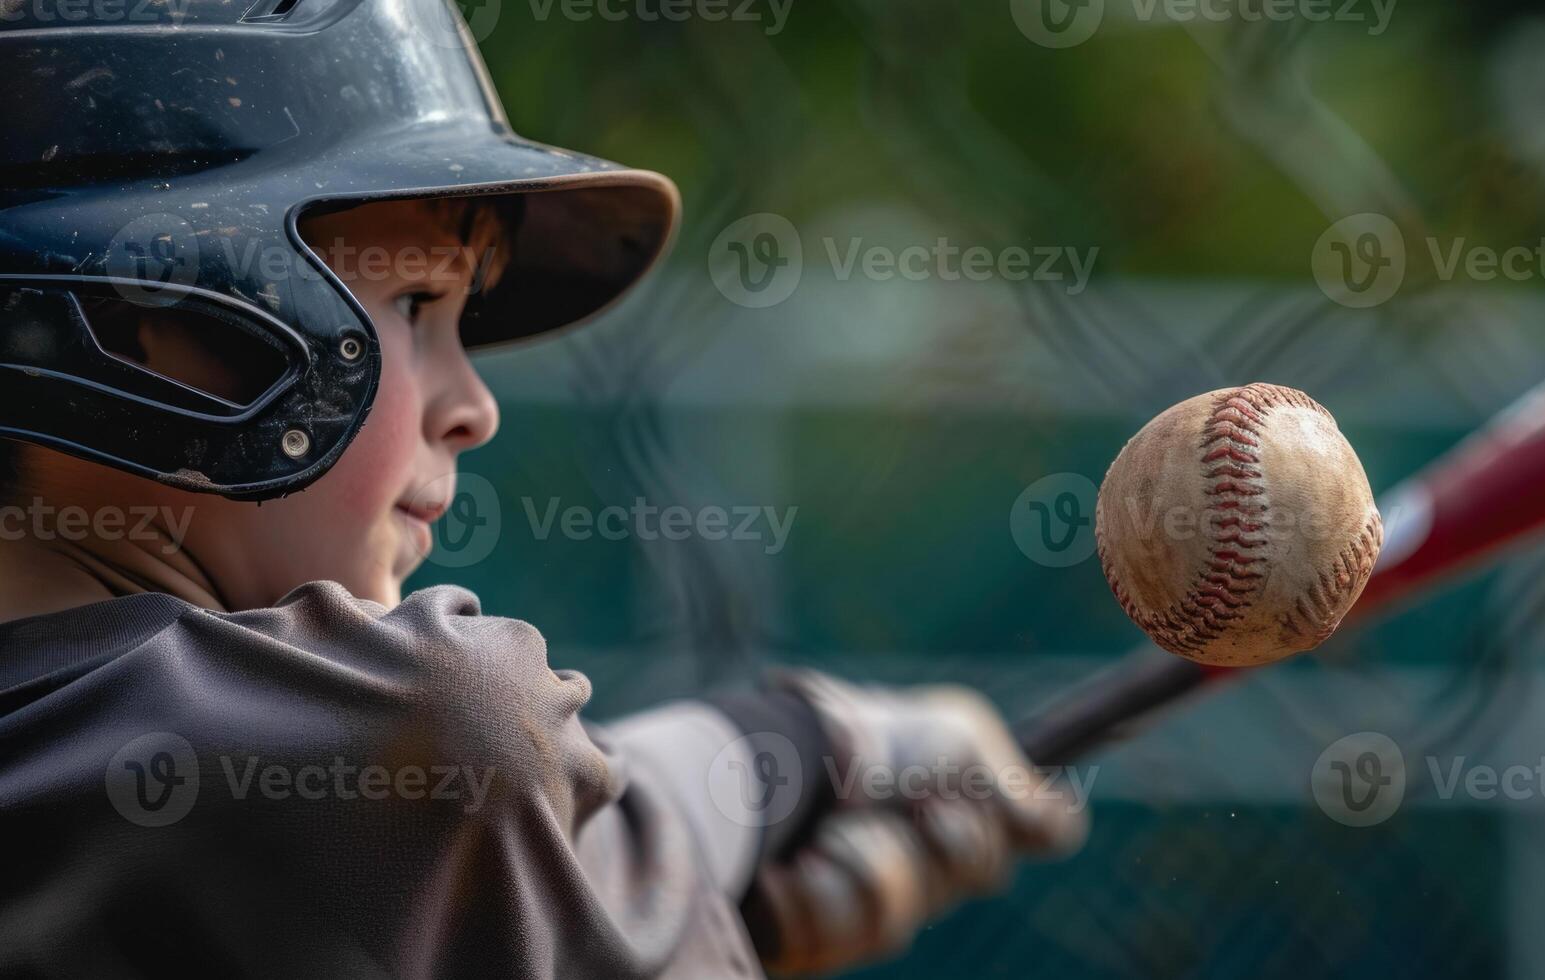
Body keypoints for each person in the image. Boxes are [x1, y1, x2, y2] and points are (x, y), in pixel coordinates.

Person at [0, 1, 1085, 976]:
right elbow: (470, 767)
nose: (473, 404)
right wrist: (813, 751)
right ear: (143, 321)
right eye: (417, 301)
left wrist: (680, 875)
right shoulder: (425, 726)